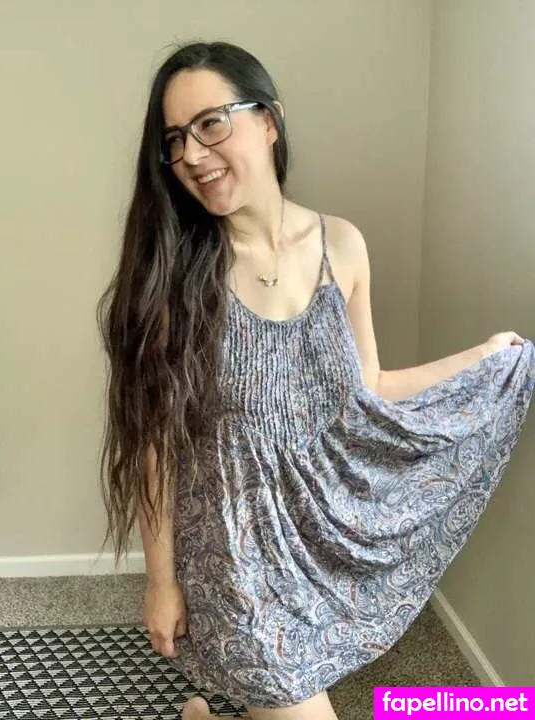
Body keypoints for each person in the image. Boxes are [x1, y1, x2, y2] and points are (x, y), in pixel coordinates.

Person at [97, 40, 535, 720]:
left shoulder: (343, 246)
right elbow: (155, 440)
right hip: (230, 555)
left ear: (268, 120)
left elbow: (369, 388)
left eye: (211, 124)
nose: (193, 155)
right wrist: (160, 582)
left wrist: (480, 358)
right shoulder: (172, 275)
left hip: (317, 532)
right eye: (175, 140)